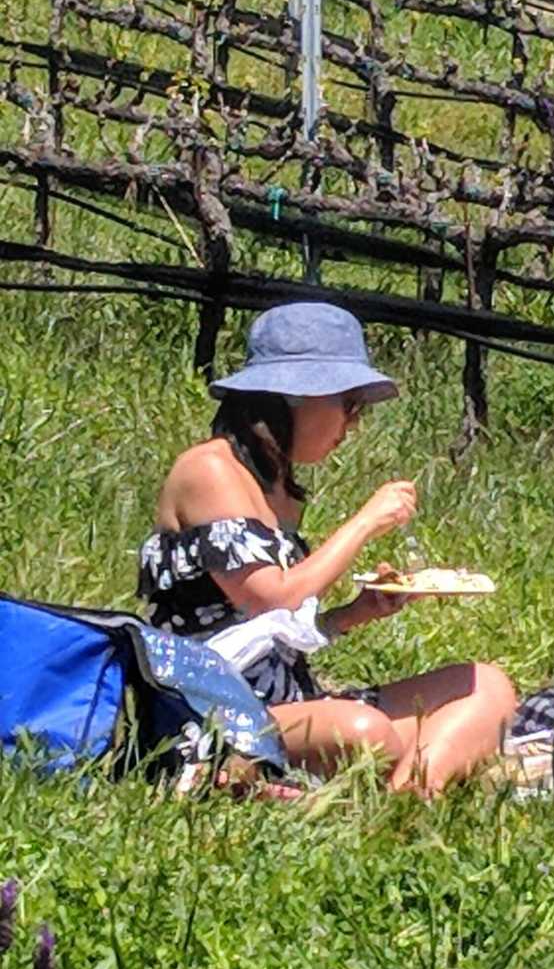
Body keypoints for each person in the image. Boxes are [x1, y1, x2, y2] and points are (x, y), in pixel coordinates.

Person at [138, 301, 517, 794]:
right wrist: (366, 522)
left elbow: (269, 632)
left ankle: (410, 799)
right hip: (214, 712)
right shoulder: (210, 470)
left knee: (486, 684)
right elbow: (267, 597)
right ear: (296, 397)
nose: (353, 424)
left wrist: (354, 614)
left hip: (291, 701)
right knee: (366, 733)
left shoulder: (277, 487)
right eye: (349, 404)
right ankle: (351, 782)